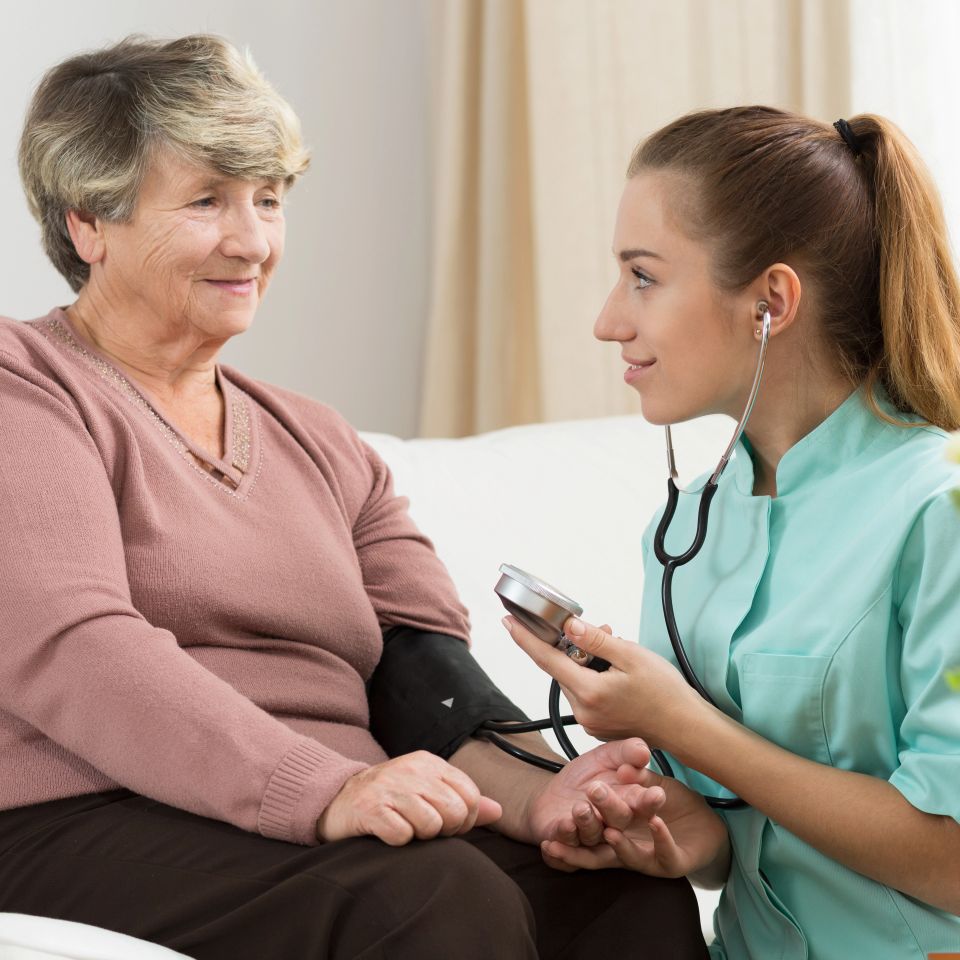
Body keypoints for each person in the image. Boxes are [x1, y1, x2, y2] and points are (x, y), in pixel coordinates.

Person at [0, 35, 708, 959]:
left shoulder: (321, 441)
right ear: (89, 223)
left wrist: (544, 796)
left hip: (308, 806)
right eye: (207, 201)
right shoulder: (27, 383)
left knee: (621, 900)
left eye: (268, 199)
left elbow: (419, 671)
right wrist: (321, 788)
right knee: (430, 898)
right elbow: (75, 650)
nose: (253, 240)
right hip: (77, 811)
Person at [504, 106, 960, 959]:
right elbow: (733, 837)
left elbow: (951, 861)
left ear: (771, 302)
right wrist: (668, 830)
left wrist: (681, 723)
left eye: (642, 276)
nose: (609, 320)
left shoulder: (941, 514)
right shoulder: (683, 533)